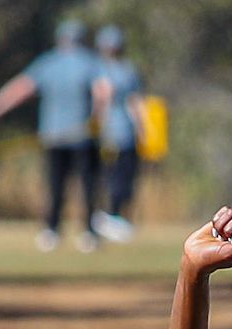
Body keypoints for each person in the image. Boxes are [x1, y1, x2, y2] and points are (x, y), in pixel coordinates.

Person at [0, 18, 106, 253]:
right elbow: (102, 93)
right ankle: (88, 233)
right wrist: (98, 120)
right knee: (87, 186)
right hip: (82, 136)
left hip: (54, 135)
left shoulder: (49, 63)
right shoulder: (90, 63)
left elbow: (20, 89)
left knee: (55, 185)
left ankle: (51, 231)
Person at [90, 26, 147, 244]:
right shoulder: (97, 70)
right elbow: (99, 103)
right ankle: (105, 219)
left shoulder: (127, 70)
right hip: (107, 135)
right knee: (108, 179)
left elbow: (135, 103)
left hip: (125, 133)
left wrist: (141, 130)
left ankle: (119, 219)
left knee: (125, 179)